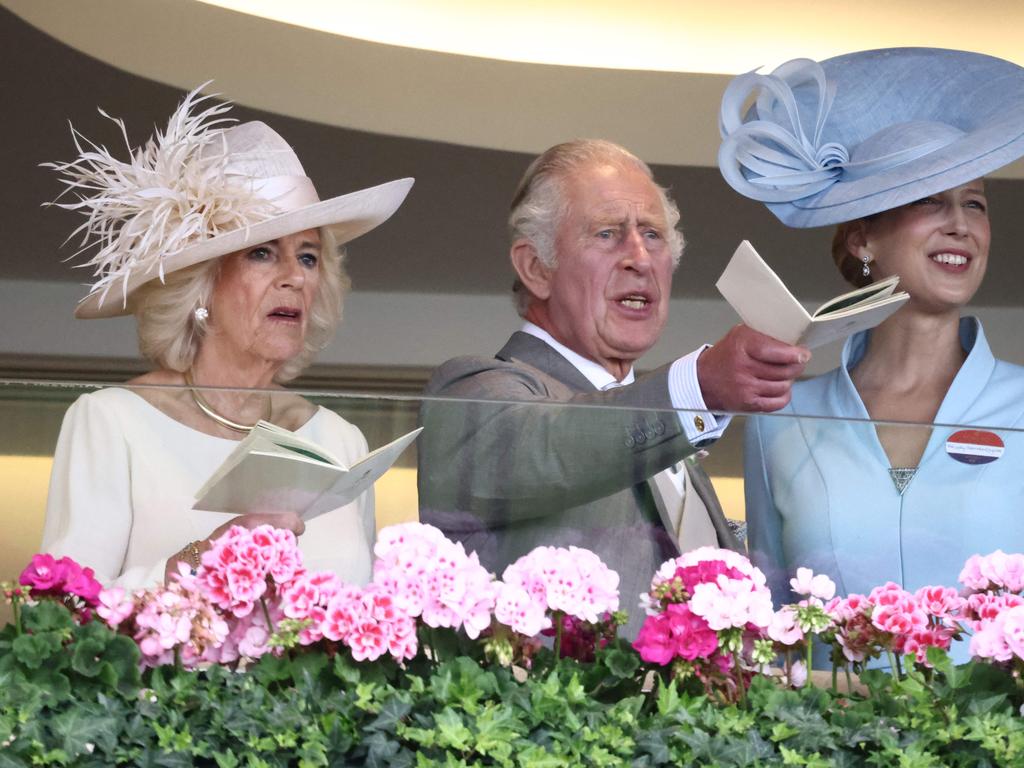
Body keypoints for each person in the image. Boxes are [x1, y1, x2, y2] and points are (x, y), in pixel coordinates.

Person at [418, 139, 809, 635]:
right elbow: (556, 446)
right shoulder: (472, 390)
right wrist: (702, 387)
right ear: (536, 268)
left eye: (653, 235)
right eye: (607, 234)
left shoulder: (670, 427)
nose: (640, 258)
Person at [40, 87, 413, 589]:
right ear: (201, 284)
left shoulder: (340, 441)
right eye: (262, 252)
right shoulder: (112, 422)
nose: (295, 277)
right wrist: (205, 559)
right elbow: (64, 618)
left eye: (307, 256)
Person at [718, 48, 1024, 608]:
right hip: (822, 699)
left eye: (975, 204)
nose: (960, 225)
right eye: (930, 201)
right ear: (863, 239)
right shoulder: (781, 420)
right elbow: (772, 624)